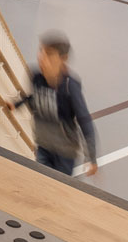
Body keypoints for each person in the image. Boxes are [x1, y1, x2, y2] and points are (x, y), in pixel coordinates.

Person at [13, 33, 98, 177]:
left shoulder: (70, 87)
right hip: (43, 146)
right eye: (41, 51)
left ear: (63, 59)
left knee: (59, 185)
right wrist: (17, 104)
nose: (41, 57)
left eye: (49, 54)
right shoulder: (36, 77)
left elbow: (84, 121)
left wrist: (91, 157)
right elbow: (34, 97)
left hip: (64, 153)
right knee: (41, 181)